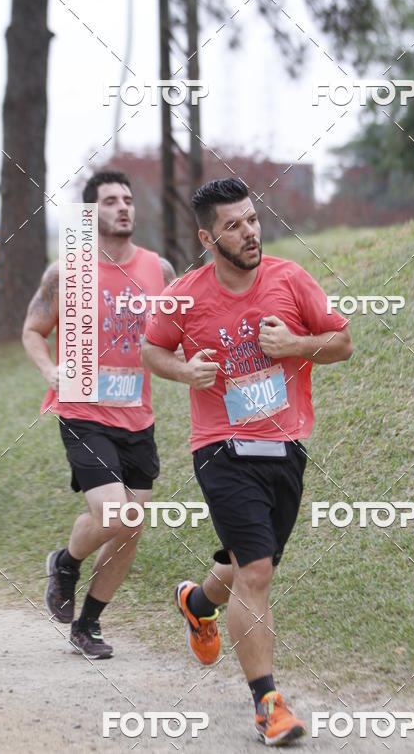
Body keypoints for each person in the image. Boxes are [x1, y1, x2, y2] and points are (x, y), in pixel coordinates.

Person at [142, 178, 353, 745]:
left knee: (249, 563)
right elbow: (151, 347)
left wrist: (297, 346)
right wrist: (184, 372)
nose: (250, 232)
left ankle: (197, 601)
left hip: (286, 447)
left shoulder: (291, 279)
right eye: (234, 225)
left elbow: (342, 341)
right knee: (256, 571)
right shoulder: (183, 295)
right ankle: (269, 704)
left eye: (253, 220)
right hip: (221, 447)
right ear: (208, 238)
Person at [22, 170, 175, 658]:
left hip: (138, 413)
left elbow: (180, 330)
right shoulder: (66, 272)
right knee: (115, 512)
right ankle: (67, 562)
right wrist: (48, 369)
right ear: (92, 213)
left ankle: (87, 623)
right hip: (83, 409)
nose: (123, 207)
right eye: (110, 201)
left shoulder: (161, 270)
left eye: (128, 199)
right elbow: (32, 330)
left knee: (131, 525)